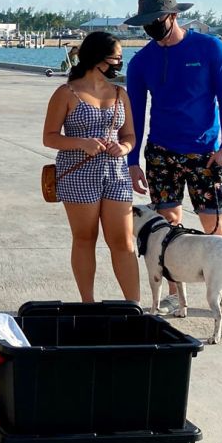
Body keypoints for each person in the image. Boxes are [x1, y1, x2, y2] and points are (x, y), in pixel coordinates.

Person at [122, 0, 222, 314]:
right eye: (146, 22)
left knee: (214, 223)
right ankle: (176, 292)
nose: (151, 27)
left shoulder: (209, 48)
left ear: (173, 16)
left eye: (156, 19)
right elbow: (135, 112)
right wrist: (133, 162)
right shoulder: (142, 61)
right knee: (167, 224)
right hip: (161, 152)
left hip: (205, 153)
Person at [41, 32, 138, 303]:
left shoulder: (120, 93)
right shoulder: (66, 93)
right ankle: (88, 303)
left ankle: (135, 306)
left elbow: (129, 135)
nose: (120, 61)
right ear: (98, 58)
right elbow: (49, 136)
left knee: (123, 240)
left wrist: (126, 148)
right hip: (78, 172)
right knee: (85, 237)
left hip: (116, 173)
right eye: (116, 56)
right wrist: (81, 142)